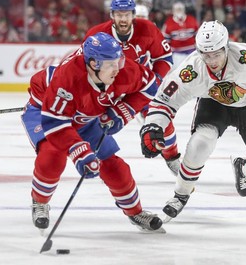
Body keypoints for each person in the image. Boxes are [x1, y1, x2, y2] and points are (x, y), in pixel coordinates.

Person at [139, 20, 246, 221]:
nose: (211, 60)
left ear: (226, 47)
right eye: (205, 54)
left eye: (216, 54)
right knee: (200, 144)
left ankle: (245, 169)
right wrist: (152, 126)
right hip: (214, 105)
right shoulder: (191, 70)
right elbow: (163, 102)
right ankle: (181, 194)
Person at [21, 32, 164, 233]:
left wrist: (123, 110)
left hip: (85, 117)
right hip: (48, 113)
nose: (118, 68)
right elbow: (56, 122)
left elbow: (150, 85)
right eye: (110, 64)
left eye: (119, 61)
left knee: (115, 168)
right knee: (52, 156)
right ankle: (40, 202)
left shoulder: (124, 70)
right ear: (94, 64)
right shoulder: (67, 79)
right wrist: (79, 151)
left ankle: (135, 212)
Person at [82, 0, 180, 176]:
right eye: (119, 14)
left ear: (133, 15)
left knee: (162, 121)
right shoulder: (96, 35)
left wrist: (156, 80)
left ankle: (172, 156)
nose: (123, 19)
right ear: (112, 15)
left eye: (127, 14)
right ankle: (91, 157)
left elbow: (164, 58)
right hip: (108, 87)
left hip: (141, 86)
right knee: (93, 120)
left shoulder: (148, 29)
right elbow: (83, 67)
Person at [162, 2, 199, 67]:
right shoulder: (168, 23)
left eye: (180, 9)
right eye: (177, 9)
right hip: (177, 54)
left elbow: (198, 36)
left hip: (192, 52)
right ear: (173, 11)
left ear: (184, 10)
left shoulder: (192, 20)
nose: (179, 11)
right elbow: (165, 41)